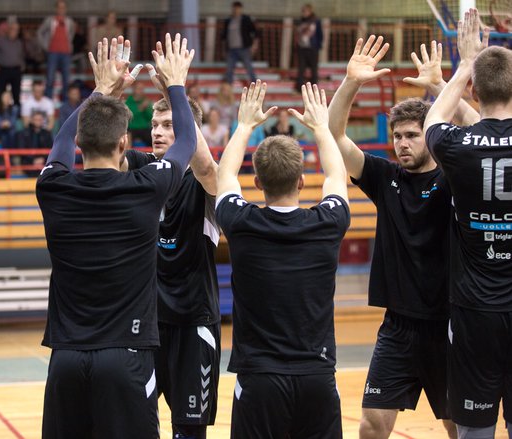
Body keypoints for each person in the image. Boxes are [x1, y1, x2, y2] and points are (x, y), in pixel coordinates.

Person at [36, 33, 196, 438]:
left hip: (66, 357)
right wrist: (175, 83)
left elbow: (59, 142)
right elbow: (189, 141)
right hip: (126, 355)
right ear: (124, 143)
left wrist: (101, 91)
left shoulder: (52, 185)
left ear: (79, 143)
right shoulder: (146, 186)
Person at [328, 35, 480, 439]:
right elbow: (336, 134)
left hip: (449, 322)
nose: (402, 143)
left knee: (460, 428)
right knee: (372, 426)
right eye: (397, 136)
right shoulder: (384, 178)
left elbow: (481, 130)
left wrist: (438, 85)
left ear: (428, 136)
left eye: (412, 135)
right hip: (397, 327)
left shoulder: (455, 177)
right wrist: (350, 82)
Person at [217, 80, 349, 438]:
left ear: (257, 182)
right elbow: (337, 175)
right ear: (303, 181)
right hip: (317, 377)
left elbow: (225, 175)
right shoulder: (328, 222)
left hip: (260, 379)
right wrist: (321, 128)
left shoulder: (241, 223)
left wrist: (244, 125)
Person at [119, 56, 221, 438]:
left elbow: (208, 169)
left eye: (169, 125)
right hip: (145, 323)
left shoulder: (205, 181)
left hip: (194, 321)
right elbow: (102, 148)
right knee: (135, 425)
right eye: (156, 125)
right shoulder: (142, 169)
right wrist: (115, 91)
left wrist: (172, 90)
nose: (158, 132)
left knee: (188, 431)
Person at [423, 8, 512, 438]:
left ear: (474, 89)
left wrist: (463, 64)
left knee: (474, 428)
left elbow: (432, 121)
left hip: (475, 310)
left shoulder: (458, 147)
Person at [37, 0, 75, 100]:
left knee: (66, 80)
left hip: (66, 53)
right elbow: (40, 33)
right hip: (52, 52)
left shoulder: (69, 21)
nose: (61, 9)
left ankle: (66, 101)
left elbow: (70, 34)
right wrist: (45, 46)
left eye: (63, 7)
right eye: (59, 7)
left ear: (65, 9)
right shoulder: (50, 20)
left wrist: (68, 45)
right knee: (50, 78)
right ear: (56, 9)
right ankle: (48, 100)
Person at [0, 20, 24, 108]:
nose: (15, 31)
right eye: (13, 29)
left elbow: (22, 55)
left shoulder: (19, 42)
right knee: (0, 93)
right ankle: (0, 112)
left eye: (17, 30)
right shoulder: (0, 40)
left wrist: (22, 64)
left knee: (16, 93)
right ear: (8, 29)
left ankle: (16, 112)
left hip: (16, 70)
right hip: (3, 70)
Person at [221, 1, 258, 84]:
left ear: (241, 9)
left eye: (237, 8)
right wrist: (224, 50)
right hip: (231, 49)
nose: (236, 10)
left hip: (244, 48)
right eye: (234, 8)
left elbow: (255, 32)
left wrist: (254, 45)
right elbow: (224, 37)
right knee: (229, 69)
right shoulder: (228, 20)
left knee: (249, 67)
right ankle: (228, 87)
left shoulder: (246, 19)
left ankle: (255, 84)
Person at [295, 4, 323, 92]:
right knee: (301, 68)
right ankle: (299, 87)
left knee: (314, 68)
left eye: (305, 11)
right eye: (303, 11)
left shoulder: (316, 21)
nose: (304, 13)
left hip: (312, 48)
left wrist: (318, 45)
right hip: (302, 47)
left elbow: (320, 34)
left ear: (310, 11)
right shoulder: (300, 21)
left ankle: (314, 88)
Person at [15, 111, 52, 177]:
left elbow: (51, 150)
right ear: (31, 120)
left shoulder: (47, 134)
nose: (38, 121)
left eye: (40, 120)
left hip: (44, 162)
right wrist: (33, 160)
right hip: (28, 162)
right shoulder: (24, 133)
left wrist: (42, 159)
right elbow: (21, 150)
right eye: (36, 119)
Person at [125, 81, 153, 146]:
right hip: (132, 129)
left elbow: (150, 118)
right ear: (134, 89)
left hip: (144, 129)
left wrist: (146, 109)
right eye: (139, 89)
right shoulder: (128, 101)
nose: (141, 91)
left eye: (142, 89)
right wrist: (140, 108)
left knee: (152, 135)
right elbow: (129, 116)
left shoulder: (146, 101)